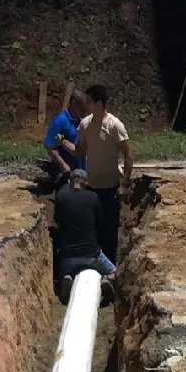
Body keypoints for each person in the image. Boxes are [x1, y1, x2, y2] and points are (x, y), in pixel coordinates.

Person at [66, 84, 132, 263]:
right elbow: (80, 150)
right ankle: (95, 265)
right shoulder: (85, 125)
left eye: (89, 102)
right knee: (93, 229)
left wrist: (124, 183)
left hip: (110, 189)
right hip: (92, 188)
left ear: (100, 103)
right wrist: (64, 143)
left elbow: (128, 154)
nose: (86, 105)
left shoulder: (114, 126)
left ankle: (111, 266)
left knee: (110, 230)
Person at [54, 169, 116, 304]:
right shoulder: (93, 197)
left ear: (70, 182)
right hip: (91, 254)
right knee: (114, 272)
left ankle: (66, 277)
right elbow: (100, 224)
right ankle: (105, 280)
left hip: (67, 256)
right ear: (86, 183)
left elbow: (57, 219)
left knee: (60, 272)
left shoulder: (61, 196)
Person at [42, 89, 88, 190]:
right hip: (66, 173)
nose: (84, 113)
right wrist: (63, 166)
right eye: (82, 109)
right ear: (74, 104)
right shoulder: (60, 121)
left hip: (80, 171)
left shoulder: (81, 121)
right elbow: (50, 146)